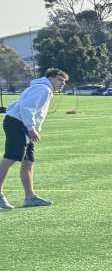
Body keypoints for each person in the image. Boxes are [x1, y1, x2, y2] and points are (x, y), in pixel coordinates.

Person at [0, 70, 68, 209]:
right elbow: (27, 108)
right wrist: (31, 128)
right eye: (60, 80)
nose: (62, 84)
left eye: (64, 82)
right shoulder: (43, 88)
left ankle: (30, 197)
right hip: (18, 123)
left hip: (23, 124)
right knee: (10, 158)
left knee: (28, 161)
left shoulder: (44, 88)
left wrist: (34, 128)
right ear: (51, 78)